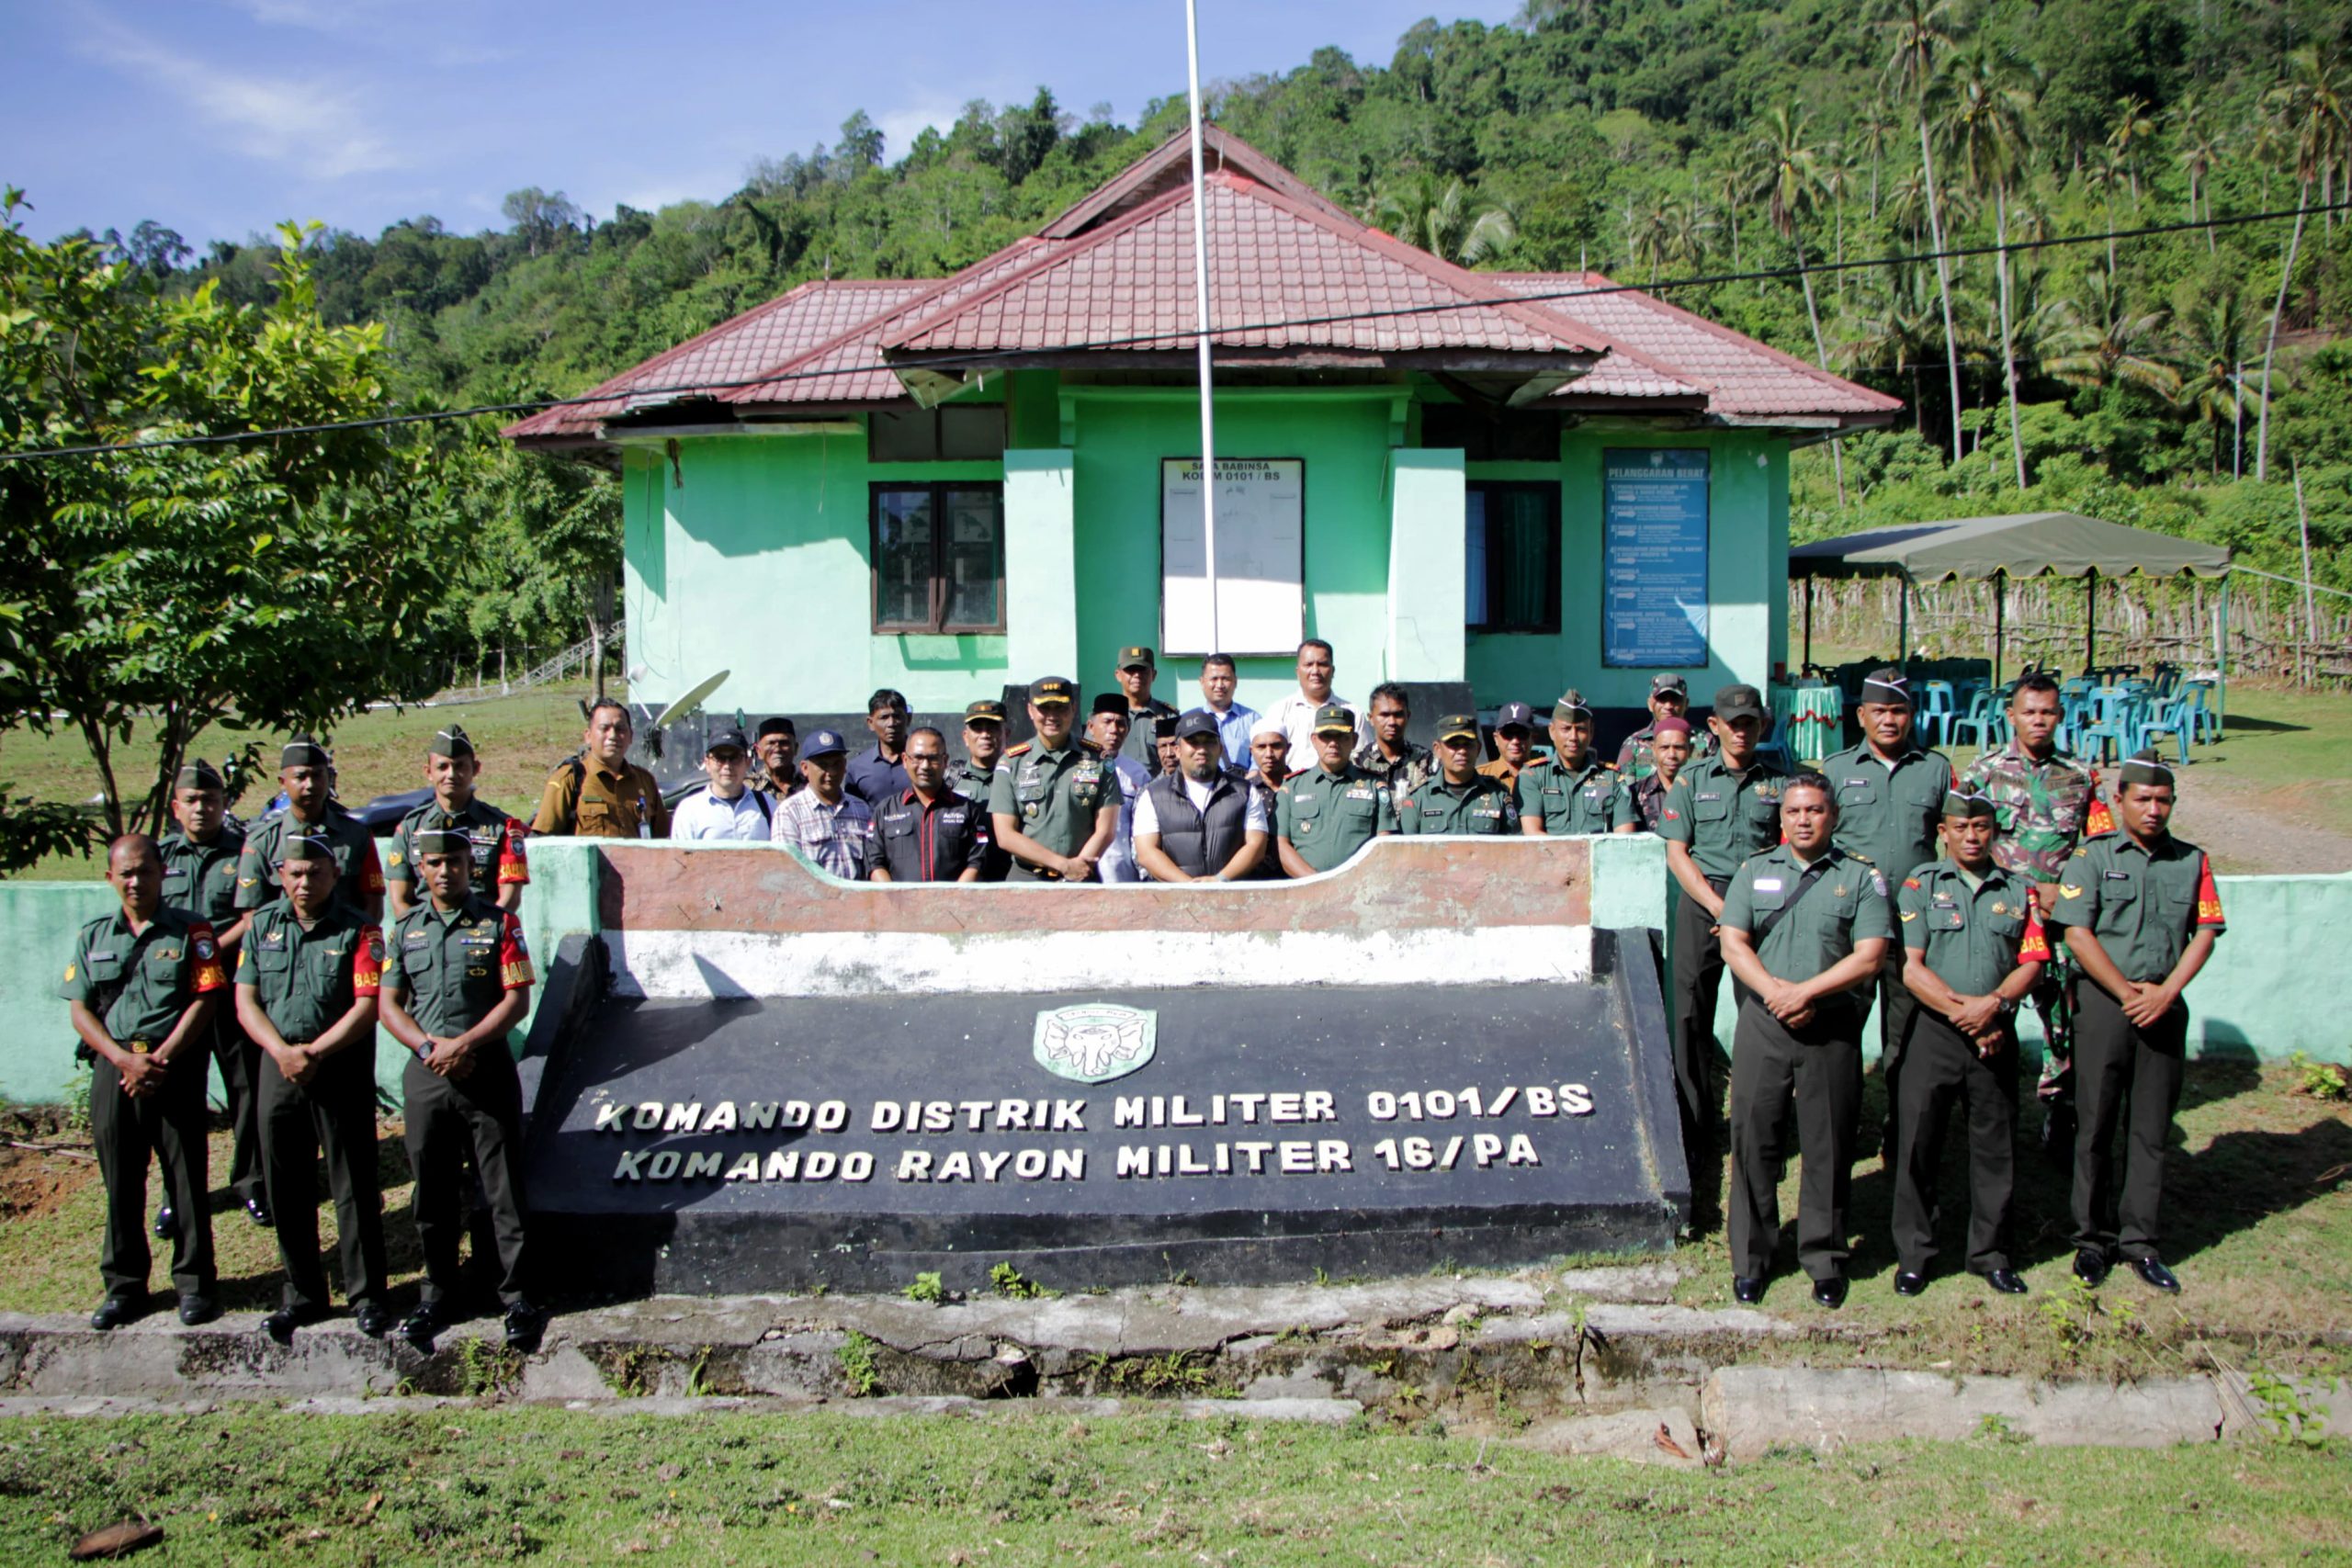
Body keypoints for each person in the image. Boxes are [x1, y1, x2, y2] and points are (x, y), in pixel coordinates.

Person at [2047, 751, 2224, 1296]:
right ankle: (2091, 1241)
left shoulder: (2192, 861)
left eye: (2163, 800)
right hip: (2105, 1004)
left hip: (2164, 1004)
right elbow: (2077, 933)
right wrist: (2127, 993)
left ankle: (2140, 1242)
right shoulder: (2091, 858)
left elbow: (2206, 930)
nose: (2153, 809)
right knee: (2096, 1124)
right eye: (2142, 799)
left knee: (2150, 1130)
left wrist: (2167, 992)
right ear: (2119, 800)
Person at [1716, 773, 1894, 1308]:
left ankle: (1825, 1258)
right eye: (1794, 811)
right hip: (1764, 1022)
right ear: (1781, 817)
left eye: (1815, 810)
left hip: (1830, 1024)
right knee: (1753, 1140)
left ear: (1832, 816)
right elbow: (1733, 943)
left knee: (1829, 1144)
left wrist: (1806, 993)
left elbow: (1869, 954)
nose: (1803, 819)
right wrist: (1776, 994)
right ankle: (1752, 1258)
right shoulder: (1755, 871)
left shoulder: (1861, 878)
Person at [379, 828, 546, 1353]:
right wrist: (431, 1049)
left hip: (485, 1068)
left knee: (502, 1189)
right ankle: (437, 1294)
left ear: (470, 867)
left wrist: (465, 1044)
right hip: (428, 1076)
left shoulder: (500, 925)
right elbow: (389, 1005)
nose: (445, 870)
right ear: (421, 870)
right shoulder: (405, 930)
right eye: (434, 863)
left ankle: (516, 1295)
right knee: (432, 1190)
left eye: (454, 861)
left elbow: (517, 998)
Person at [63, 834, 229, 1330]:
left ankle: (195, 1284)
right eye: (126, 873)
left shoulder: (192, 932)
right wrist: (121, 1060)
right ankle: (124, 1286)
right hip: (114, 1073)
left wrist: (160, 1059)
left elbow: (205, 999)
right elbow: (79, 1008)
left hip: (171, 1071)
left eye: (145, 871)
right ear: (110, 878)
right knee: (121, 1180)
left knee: (186, 1181)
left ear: (163, 873)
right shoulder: (95, 936)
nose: (136, 881)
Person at [234, 832, 390, 1343]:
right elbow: (246, 1002)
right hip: (278, 1068)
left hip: (337, 1068)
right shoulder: (261, 929)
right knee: (286, 1186)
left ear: (333, 874)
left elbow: (366, 1008)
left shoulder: (360, 931)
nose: (305, 883)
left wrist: (314, 1053)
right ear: (280, 874)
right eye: (295, 873)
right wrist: (282, 1052)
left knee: (353, 1186)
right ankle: (301, 1294)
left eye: (316, 873)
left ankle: (367, 1295)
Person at [1892, 791, 2047, 1298]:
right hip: (1936, 1032)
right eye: (1961, 827)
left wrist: (1996, 1005)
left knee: (1996, 1147)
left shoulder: (2019, 891)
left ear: (1994, 831)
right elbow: (1912, 969)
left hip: (1996, 1033)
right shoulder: (1920, 885)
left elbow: (2033, 961)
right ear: (1944, 832)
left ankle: (1991, 1253)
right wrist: (1968, 1015)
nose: (1972, 836)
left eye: (1981, 826)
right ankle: (1914, 1255)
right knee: (1918, 1145)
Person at [1657, 683, 1789, 1191]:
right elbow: (1677, 853)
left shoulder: (1779, 784)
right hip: (1703, 903)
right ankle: (1694, 1125)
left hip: (1760, 907)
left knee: (1763, 1014)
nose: (1741, 730)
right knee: (1690, 1013)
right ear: (1713, 727)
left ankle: (1763, 1125)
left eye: (1750, 722)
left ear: (1762, 726)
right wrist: (1719, 906)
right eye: (1732, 722)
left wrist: (1745, 910)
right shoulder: (1690, 781)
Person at [1959, 672, 2098, 1156]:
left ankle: (2060, 1115)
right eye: (2029, 711)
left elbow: (2098, 853)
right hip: (2002, 919)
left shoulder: (2080, 778)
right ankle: (1983, 1115)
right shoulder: (1982, 773)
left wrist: (2069, 892)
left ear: (2059, 716)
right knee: (1988, 1012)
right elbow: (1961, 844)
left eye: (2048, 712)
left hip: (2058, 925)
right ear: (2011, 715)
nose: (2038, 720)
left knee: (2063, 1021)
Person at [1821, 668, 1955, 1156]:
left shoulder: (1936, 770)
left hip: (1913, 932)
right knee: (1839, 1035)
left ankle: (1901, 1132)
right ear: (1861, 716)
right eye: (1879, 711)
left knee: (1907, 1037)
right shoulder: (1835, 771)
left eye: (1898, 710)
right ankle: (1836, 1131)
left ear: (1911, 714)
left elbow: (1957, 842)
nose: (1889, 720)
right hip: (1852, 930)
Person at [157, 761, 268, 1231]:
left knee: (247, 1087)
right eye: (192, 800)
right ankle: (176, 1195)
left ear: (225, 803)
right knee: (179, 1096)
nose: (202, 808)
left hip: (228, 988)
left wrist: (203, 955)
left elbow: (251, 919)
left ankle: (252, 1182)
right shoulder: (159, 856)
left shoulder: (245, 852)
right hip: (178, 998)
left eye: (211, 799)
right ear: (176, 806)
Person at [387, 725, 530, 918]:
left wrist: (485, 933)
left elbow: (510, 898)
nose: (451, 774)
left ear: (476, 768)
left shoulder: (502, 827)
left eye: (460, 766)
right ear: (428, 772)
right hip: (425, 936)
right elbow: (400, 900)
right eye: (442, 767)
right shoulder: (410, 827)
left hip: (482, 935)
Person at [236, 735, 385, 921]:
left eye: (317, 775)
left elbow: (373, 903)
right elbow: (252, 913)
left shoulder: (356, 835)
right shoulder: (262, 842)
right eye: (300, 777)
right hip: (284, 946)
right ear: (283, 782)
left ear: (328, 778)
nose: (310, 785)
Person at [989, 678, 1118, 883]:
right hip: (1027, 879)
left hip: (1083, 877)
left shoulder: (1098, 760)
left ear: (1074, 708)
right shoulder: (1012, 763)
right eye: (1044, 708)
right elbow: (1005, 835)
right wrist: (1063, 865)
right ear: (1030, 711)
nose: (1052, 716)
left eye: (1060, 707)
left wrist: (1077, 868)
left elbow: (1106, 830)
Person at [1133, 710, 1272, 883]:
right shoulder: (1153, 795)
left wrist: (1219, 880)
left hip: (1233, 899)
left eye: (1209, 742)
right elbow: (1146, 852)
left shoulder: (1245, 792)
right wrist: (1189, 886)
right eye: (1193, 742)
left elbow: (1256, 845)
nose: (1201, 749)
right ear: (1177, 750)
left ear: (1220, 748)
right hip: (1177, 901)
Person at [1276, 704, 1397, 875]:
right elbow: (1282, 846)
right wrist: (1317, 884)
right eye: (1326, 736)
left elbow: (1384, 846)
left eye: (1341, 736)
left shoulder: (1375, 786)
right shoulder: (1291, 788)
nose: (1333, 743)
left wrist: (1349, 885)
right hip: (1306, 891)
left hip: (1358, 890)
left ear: (1354, 740)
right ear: (1314, 740)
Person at [531, 700, 671, 840]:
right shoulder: (569, 780)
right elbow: (542, 843)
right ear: (588, 736)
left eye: (620, 729)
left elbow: (663, 839)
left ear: (631, 736)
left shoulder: (645, 781)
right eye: (604, 728)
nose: (613, 736)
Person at [872, 728, 991, 883]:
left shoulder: (967, 809)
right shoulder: (885, 810)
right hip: (900, 904)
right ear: (905, 760)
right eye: (918, 758)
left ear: (945, 761)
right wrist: (896, 901)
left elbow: (977, 861)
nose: (925, 766)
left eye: (933, 758)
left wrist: (951, 900)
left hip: (953, 904)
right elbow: (875, 862)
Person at [1518, 691, 1632, 836]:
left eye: (1581, 729)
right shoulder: (1533, 776)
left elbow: (1624, 839)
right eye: (1566, 729)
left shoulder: (1613, 779)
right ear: (1552, 731)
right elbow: (1533, 835)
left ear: (1591, 732)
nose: (1573, 737)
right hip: (1552, 857)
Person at [771, 728, 878, 880]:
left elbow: (873, 862)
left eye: (836, 764)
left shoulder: (861, 809)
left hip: (858, 901)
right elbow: (786, 870)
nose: (831, 772)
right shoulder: (789, 812)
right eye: (822, 765)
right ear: (805, 768)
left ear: (845, 764)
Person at [1399, 715, 1521, 834]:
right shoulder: (1419, 799)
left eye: (1467, 744)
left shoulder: (1498, 795)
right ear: (1438, 750)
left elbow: (1514, 847)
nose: (1462, 751)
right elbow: (1409, 850)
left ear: (1478, 748)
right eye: (1454, 745)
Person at [1269, 639, 1372, 770]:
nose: (1315, 671)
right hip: (1293, 786)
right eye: (1309, 664)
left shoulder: (1353, 712)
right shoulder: (1279, 711)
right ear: (1297, 672)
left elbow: (1364, 759)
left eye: (1322, 664)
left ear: (1333, 670)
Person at [1086, 694, 1152, 883]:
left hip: (1121, 872)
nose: (1114, 730)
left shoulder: (1138, 774)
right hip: (1081, 867)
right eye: (1107, 722)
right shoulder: (1074, 767)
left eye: (1121, 724)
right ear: (1091, 727)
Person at [669, 728, 775, 840]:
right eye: (719, 758)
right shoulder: (689, 810)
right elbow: (681, 857)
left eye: (735, 758)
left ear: (747, 762)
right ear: (707, 763)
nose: (727, 766)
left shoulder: (767, 804)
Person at [953, 698, 1013, 882]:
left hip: (1010, 876)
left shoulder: (1018, 778)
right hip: (963, 878)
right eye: (977, 728)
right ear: (965, 736)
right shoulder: (950, 780)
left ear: (1006, 734)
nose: (985, 735)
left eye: (993, 728)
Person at [1618, 673, 1716, 779]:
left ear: (1686, 703)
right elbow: (1623, 789)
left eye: (1675, 699)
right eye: (1662, 699)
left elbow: (1715, 783)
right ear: (1650, 704)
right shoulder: (1634, 743)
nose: (1668, 706)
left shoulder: (1705, 741)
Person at [1352, 682, 1434, 796]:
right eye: (1384, 715)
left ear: (1408, 716)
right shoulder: (1356, 762)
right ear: (1371, 718)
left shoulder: (1426, 761)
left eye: (1398, 715)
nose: (1392, 722)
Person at [1114, 647, 1179, 776]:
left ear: (1153, 675)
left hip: (1158, 791)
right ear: (1118, 675)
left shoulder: (1169, 716)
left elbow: (1177, 760)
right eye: (1130, 670)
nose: (1137, 675)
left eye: (1143, 670)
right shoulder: (1107, 718)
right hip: (1117, 790)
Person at [845, 689, 913, 810]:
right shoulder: (857, 767)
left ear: (908, 719)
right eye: (884, 717)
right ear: (870, 723)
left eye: (897, 716)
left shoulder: (923, 761)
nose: (891, 723)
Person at [1623, 717, 1694, 834]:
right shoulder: (1635, 794)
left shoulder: (1700, 791)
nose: (1671, 755)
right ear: (1654, 750)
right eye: (1664, 748)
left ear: (1690, 750)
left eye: (1679, 747)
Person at [1198, 654, 1261, 763]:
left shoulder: (1253, 720)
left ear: (1235, 682)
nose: (1220, 685)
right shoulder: (1190, 720)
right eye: (1214, 679)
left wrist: (1252, 776)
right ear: (1202, 682)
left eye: (1225, 679)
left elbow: (1260, 759)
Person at [1478, 702, 1544, 790]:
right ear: (1496, 739)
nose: (1515, 741)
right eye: (1507, 734)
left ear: (1533, 738)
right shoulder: (1479, 777)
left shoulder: (1546, 777)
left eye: (1522, 734)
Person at [752, 717, 801, 807]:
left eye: (784, 743)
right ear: (759, 751)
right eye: (770, 743)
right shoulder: (748, 788)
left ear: (796, 748)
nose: (778, 749)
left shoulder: (811, 783)